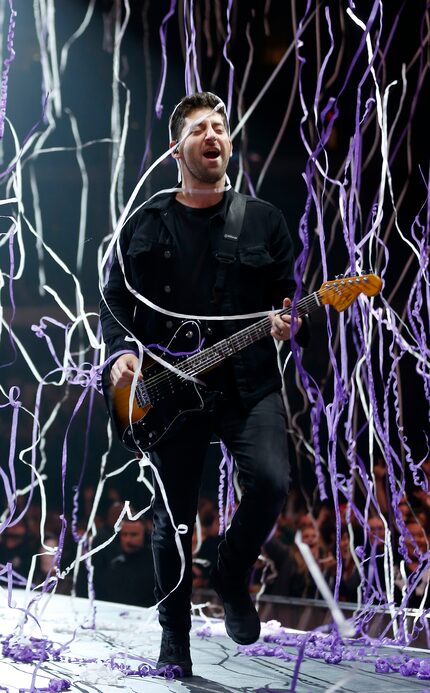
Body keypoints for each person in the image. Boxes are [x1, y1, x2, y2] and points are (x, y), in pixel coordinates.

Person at [99, 91, 310, 677]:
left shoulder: (263, 220)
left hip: (247, 384)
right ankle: (175, 640)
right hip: (169, 392)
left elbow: (290, 301)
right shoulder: (144, 223)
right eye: (199, 128)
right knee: (175, 520)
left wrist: (291, 323)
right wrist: (120, 354)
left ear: (229, 144)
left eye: (220, 127)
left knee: (270, 482)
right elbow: (113, 304)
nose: (213, 135)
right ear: (178, 148)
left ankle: (231, 570)